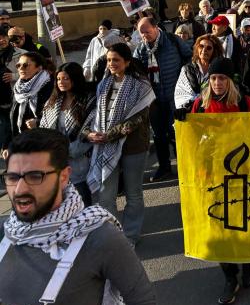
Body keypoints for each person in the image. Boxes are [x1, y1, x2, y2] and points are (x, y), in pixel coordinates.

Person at [0, 130, 156, 305]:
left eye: (35, 177)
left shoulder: (99, 236)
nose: (19, 189)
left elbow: (143, 304)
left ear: (64, 177)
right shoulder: (5, 233)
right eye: (12, 177)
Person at [187, 57, 250, 305]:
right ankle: (230, 277)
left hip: (241, 172)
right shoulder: (200, 105)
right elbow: (193, 139)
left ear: (231, 81)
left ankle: (248, 262)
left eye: (222, 79)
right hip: (213, 175)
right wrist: (182, 121)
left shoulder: (243, 102)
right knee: (219, 225)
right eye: (214, 78)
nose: (217, 83)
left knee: (243, 221)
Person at [84, 43, 156, 245]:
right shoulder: (103, 85)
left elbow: (137, 119)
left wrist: (109, 135)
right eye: (108, 60)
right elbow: (97, 114)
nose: (111, 64)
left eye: (116, 60)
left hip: (133, 147)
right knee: (106, 194)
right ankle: (114, 235)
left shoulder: (141, 86)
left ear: (127, 62)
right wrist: (92, 134)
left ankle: (131, 235)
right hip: (106, 147)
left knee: (133, 193)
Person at [133, 16, 192, 181]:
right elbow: (136, 70)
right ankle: (164, 167)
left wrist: (185, 79)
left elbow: (189, 57)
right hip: (154, 100)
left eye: (147, 31)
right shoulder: (140, 50)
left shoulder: (173, 41)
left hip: (175, 96)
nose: (145, 35)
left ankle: (184, 167)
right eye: (141, 33)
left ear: (156, 27)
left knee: (176, 133)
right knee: (159, 135)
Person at [38, 62, 95, 206]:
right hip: (56, 160)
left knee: (83, 202)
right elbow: (44, 128)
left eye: (66, 79)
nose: (61, 82)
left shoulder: (88, 100)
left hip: (79, 160)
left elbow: (90, 129)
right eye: (58, 79)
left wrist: (69, 150)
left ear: (75, 79)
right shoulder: (52, 101)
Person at [8, 52, 54, 153]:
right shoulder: (18, 88)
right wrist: (6, 145)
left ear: (39, 68)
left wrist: (38, 122)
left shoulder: (50, 86)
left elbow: (56, 116)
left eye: (25, 65)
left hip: (41, 143)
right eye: (18, 65)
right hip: (20, 142)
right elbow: (12, 116)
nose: (21, 68)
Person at [174, 34, 225, 119]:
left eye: (209, 48)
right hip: (192, 115)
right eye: (201, 46)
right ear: (197, 48)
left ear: (214, 51)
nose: (204, 50)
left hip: (214, 114)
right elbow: (181, 94)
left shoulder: (220, 69)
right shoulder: (186, 69)